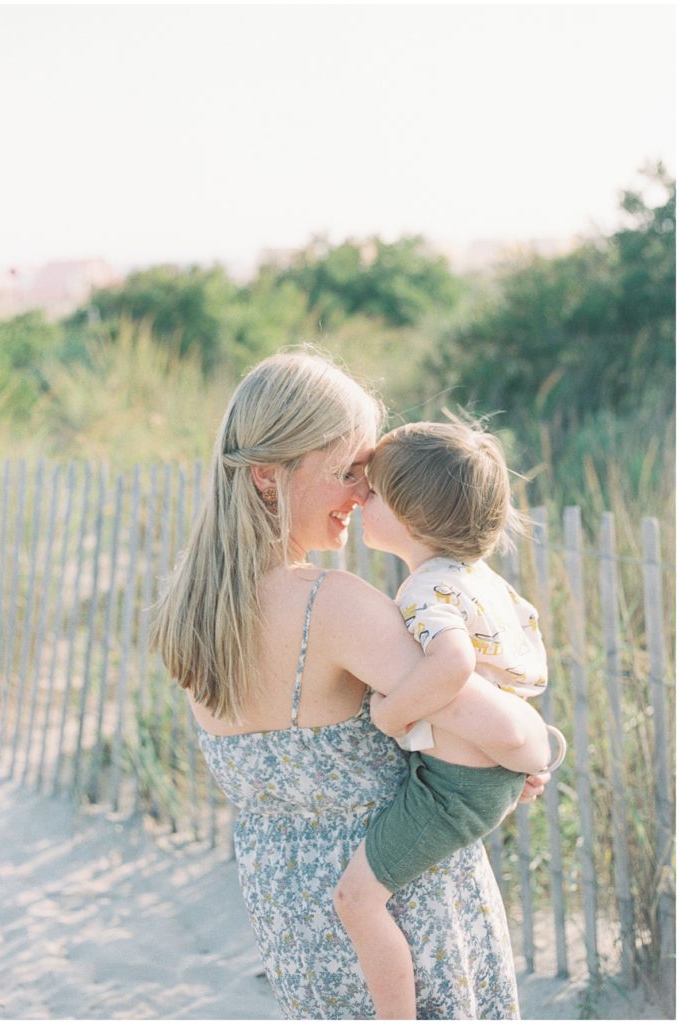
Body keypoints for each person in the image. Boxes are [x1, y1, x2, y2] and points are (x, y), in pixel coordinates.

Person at [149, 348, 550, 1020]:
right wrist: (537, 751)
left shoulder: (192, 611)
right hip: (402, 905)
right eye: (348, 473)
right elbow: (506, 731)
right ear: (268, 478)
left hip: (292, 916)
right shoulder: (331, 606)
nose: (364, 495)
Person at [333, 417, 566, 1019]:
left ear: (411, 516)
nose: (361, 498)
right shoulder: (481, 582)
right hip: (483, 772)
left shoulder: (423, 591)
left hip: (452, 793)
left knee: (356, 900)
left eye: (375, 492)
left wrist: (389, 713)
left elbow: (455, 663)